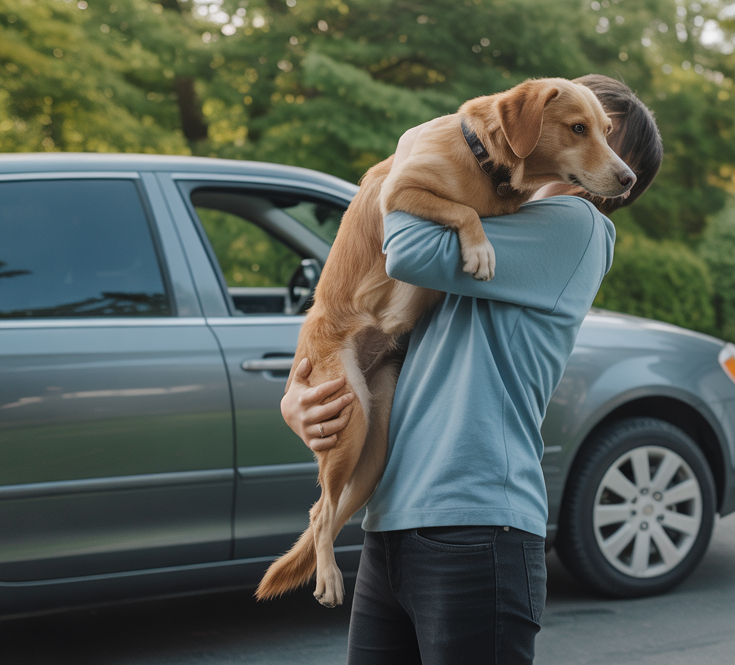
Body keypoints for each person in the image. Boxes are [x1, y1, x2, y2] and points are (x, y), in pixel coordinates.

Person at [281, 75, 662, 664]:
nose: (600, 157)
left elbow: (403, 248)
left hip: (477, 526)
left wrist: (416, 141)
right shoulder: (487, 216)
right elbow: (364, 304)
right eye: (579, 130)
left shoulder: (577, 231)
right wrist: (298, 397)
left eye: (608, 140)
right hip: (393, 520)